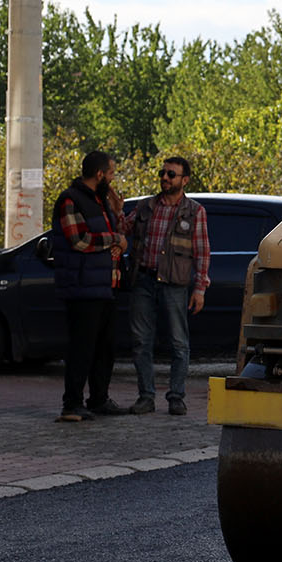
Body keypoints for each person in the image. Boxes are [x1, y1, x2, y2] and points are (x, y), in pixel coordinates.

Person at [123, 155, 210, 417]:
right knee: (140, 341)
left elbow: (202, 253)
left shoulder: (194, 211)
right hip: (144, 281)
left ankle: (176, 397)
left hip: (174, 284)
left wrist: (199, 288)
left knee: (178, 343)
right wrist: (116, 210)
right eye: (163, 172)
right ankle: (146, 396)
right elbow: (123, 229)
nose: (165, 178)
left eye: (171, 174)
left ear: (184, 180)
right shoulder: (146, 207)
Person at [52, 150, 128, 421]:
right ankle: (71, 404)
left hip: (105, 285)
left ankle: (98, 398)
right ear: (99, 174)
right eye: (110, 173)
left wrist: (118, 215)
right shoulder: (70, 200)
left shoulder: (100, 200)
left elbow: (116, 233)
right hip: (82, 286)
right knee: (82, 347)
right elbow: (80, 240)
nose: (112, 178)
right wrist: (115, 240)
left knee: (105, 347)